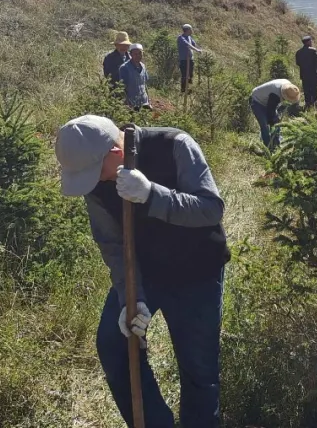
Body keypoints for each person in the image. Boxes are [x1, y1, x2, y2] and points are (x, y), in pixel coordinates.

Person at [54, 115, 229, 428]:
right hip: (146, 272)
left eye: (96, 174)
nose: (94, 183)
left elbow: (210, 209)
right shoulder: (95, 186)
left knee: (198, 371)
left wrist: (153, 195)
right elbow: (112, 244)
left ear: (116, 154)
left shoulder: (175, 145)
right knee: (113, 343)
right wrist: (129, 296)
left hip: (197, 274)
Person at [249, 79, 300, 149]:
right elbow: (270, 111)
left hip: (268, 101)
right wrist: (272, 123)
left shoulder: (289, 87)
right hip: (257, 100)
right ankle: (268, 148)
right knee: (265, 125)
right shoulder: (275, 94)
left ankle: (277, 143)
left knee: (276, 123)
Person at [119, 43, 151, 111]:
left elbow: (145, 85)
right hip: (132, 104)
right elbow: (122, 88)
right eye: (135, 54)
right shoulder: (124, 68)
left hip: (144, 103)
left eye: (140, 53)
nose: (138, 56)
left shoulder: (143, 66)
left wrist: (149, 100)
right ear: (130, 54)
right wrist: (127, 103)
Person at [295, 35, 317, 109]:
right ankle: (315, 105)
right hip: (313, 74)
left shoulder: (298, 52)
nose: (311, 42)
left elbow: (298, 63)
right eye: (310, 41)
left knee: (306, 90)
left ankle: (308, 104)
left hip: (304, 74)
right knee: (314, 90)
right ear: (308, 42)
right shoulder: (313, 50)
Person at [178, 24, 202, 93]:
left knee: (190, 75)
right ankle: (183, 90)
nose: (192, 30)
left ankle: (189, 89)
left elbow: (194, 44)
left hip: (190, 59)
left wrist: (199, 49)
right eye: (191, 29)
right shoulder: (181, 37)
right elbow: (188, 45)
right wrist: (197, 50)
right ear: (187, 30)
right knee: (185, 75)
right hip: (184, 60)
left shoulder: (189, 37)